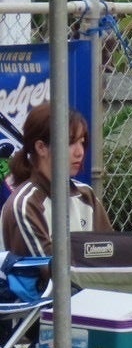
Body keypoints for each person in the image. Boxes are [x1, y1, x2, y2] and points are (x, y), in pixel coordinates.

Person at [1, 105, 110, 267]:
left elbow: (111, 254)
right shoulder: (24, 204)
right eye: (70, 142)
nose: (79, 152)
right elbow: (52, 272)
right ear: (41, 147)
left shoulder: (86, 194)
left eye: (81, 142)